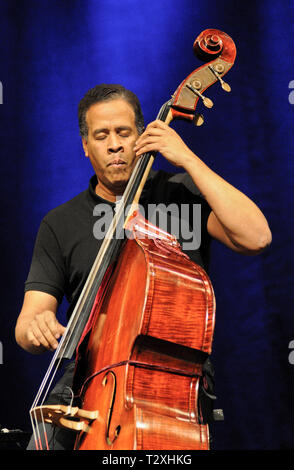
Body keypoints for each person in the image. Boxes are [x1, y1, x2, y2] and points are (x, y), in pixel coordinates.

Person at [15, 84, 272, 449]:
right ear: (85, 146)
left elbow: (256, 237)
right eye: (101, 135)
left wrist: (188, 160)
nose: (114, 145)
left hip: (170, 388)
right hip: (86, 387)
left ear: (142, 136)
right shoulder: (60, 223)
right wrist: (35, 327)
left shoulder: (182, 193)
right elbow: (27, 325)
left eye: (123, 132)